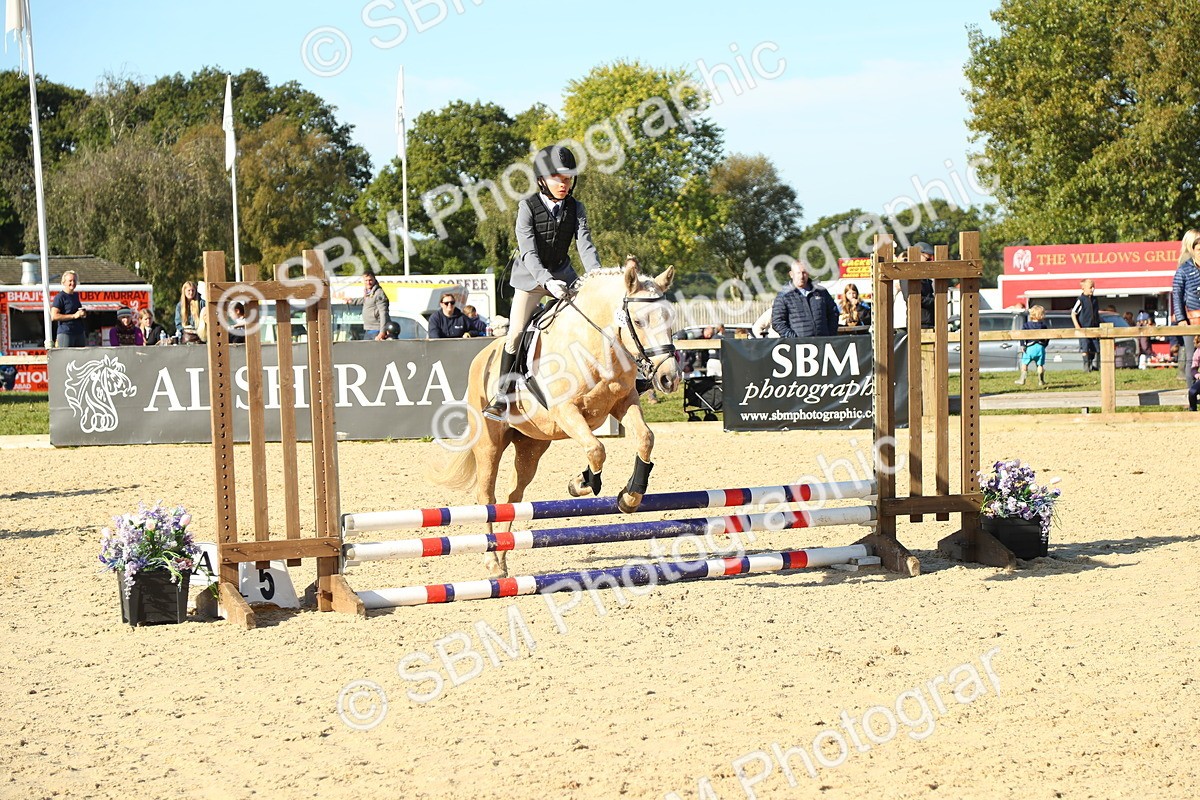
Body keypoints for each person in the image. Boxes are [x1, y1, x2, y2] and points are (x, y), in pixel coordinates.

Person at [483, 144, 602, 420]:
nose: (564, 183)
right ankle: (503, 394)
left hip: (564, 274)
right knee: (514, 334)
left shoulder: (577, 208)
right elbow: (529, 253)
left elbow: (585, 246)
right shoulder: (527, 207)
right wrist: (547, 283)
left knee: (597, 316)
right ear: (542, 180)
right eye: (558, 178)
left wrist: (596, 278)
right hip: (530, 279)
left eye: (568, 178)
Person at [771, 259, 839, 337]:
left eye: (804, 272)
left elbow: (833, 313)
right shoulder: (783, 295)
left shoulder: (821, 291)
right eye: (798, 273)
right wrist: (793, 338)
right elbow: (777, 322)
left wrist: (830, 334)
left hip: (823, 342)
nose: (801, 276)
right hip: (798, 345)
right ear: (791, 274)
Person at [1171, 230, 1200, 379]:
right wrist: (1181, 319)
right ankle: (1192, 397)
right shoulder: (1184, 269)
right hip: (1191, 317)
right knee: (1191, 357)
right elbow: (1177, 294)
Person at [51, 269, 87, 347]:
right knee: (66, 357)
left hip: (79, 332)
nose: (72, 283)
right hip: (66, 333)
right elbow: (54, 316)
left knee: (81, 357)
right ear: (64, 282)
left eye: (74, 280)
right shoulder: (60, 297)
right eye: (70, 281)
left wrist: (82, 314)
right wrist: (73, 316)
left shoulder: (76, 295)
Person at [1015, 305, 1049, 387]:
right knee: (1040, 365)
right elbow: (1048, 337)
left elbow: (1022, 336)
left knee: (1024, 364)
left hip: (1029, 348)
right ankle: (1041, 380)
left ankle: (1022, 379)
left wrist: (1022, 345)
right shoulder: (1044, 326)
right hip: (1040, 347)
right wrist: (1044, 344)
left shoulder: (1026, 325)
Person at [1070, 278, 1100, 371]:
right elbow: (1073, 313)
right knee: (1085, 347)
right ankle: (1086, 366)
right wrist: (1077, 327)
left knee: (1095, 348)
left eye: (1093, 287)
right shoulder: (1081, 300)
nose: (1093, 289)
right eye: (1090, 287)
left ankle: (1092, 364)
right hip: (1084, 328)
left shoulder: (1095, 300)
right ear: (1083, 288)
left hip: (1094, 327)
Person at [360, 269, 390, 341]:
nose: (368, 282)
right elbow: (364, 301)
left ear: (374, 279)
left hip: (376, 330)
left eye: (370, 280)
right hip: (368, 329)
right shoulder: (368, 292)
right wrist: (351, 300)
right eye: (366, 280)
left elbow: (383, 313)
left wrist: (382, 333)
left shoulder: (379, 293)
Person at [1189, 335, 1200, 412]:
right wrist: (1198, 375)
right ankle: (1193, 411)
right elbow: (1193, 368)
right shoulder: (1198, 352)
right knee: (1192, 391)